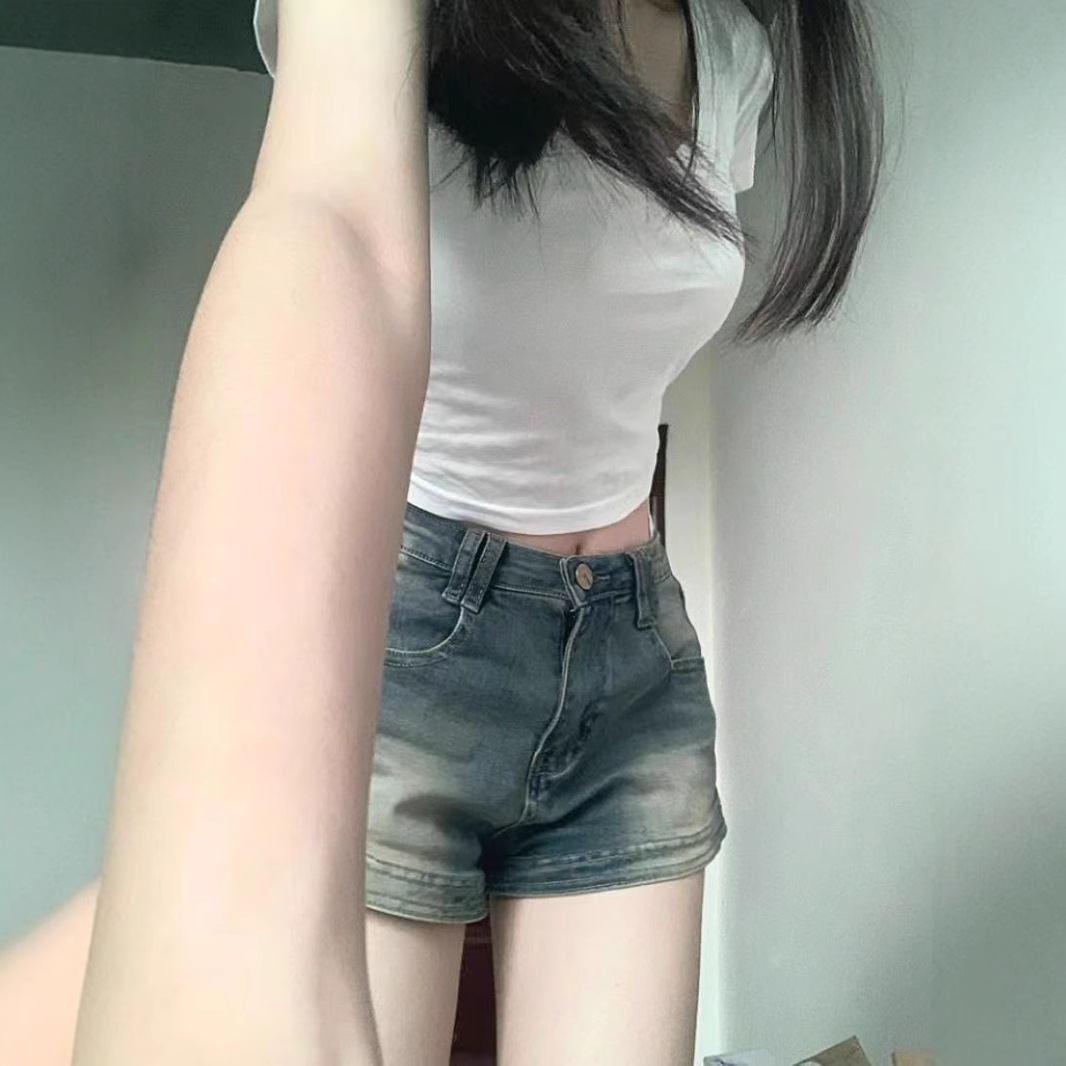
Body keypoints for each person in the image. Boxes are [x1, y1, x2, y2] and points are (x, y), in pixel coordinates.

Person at [0, 1, 883, 1064]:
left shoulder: (733, 51)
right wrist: (227, 883)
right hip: (414, 633)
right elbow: (334, 226)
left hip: (632, 653)